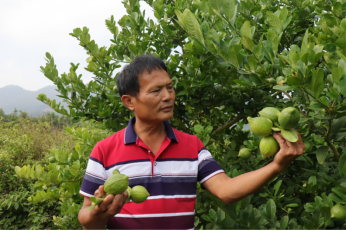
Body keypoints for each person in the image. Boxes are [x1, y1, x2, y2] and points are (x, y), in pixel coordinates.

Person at [78, 55, 305, 230]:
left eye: (169, 87)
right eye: (156, 90)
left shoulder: (191, 145)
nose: (168, 96)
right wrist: (100, 214)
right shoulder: (105, 149)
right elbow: (87, 219)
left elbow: (226, 190)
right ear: (129, 101)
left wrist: (277, 165)